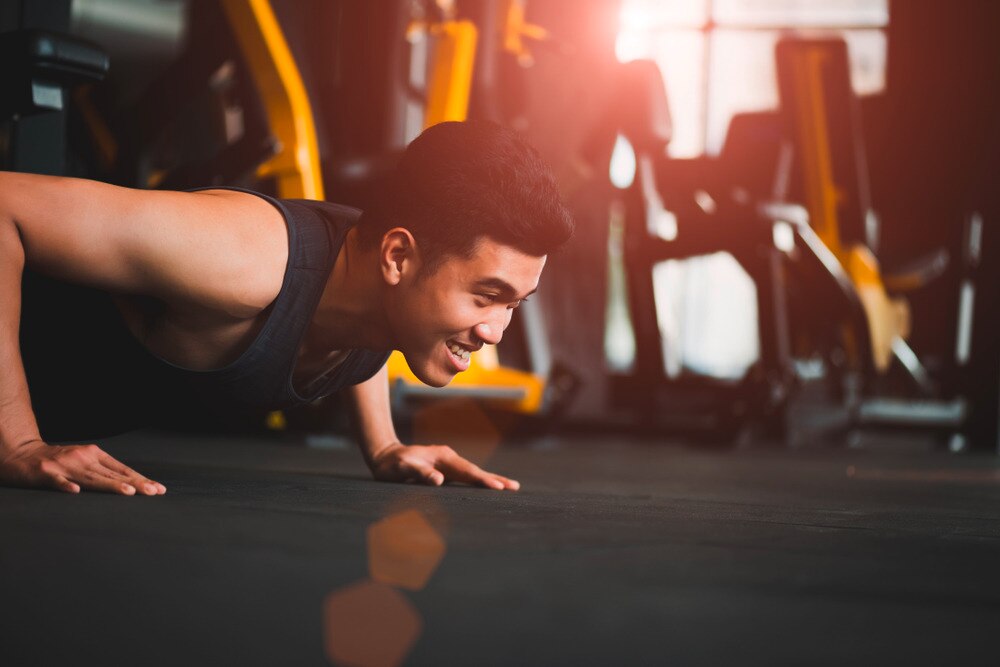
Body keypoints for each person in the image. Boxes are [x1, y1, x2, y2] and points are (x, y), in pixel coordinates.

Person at [0, 120, 574, 496]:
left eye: (516, 305)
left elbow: (366, 330)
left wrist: (385, 445)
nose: (497, 331)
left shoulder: (375, 286)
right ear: (398, 257)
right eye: (488, 295)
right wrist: (18, 442)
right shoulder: (239, 257)